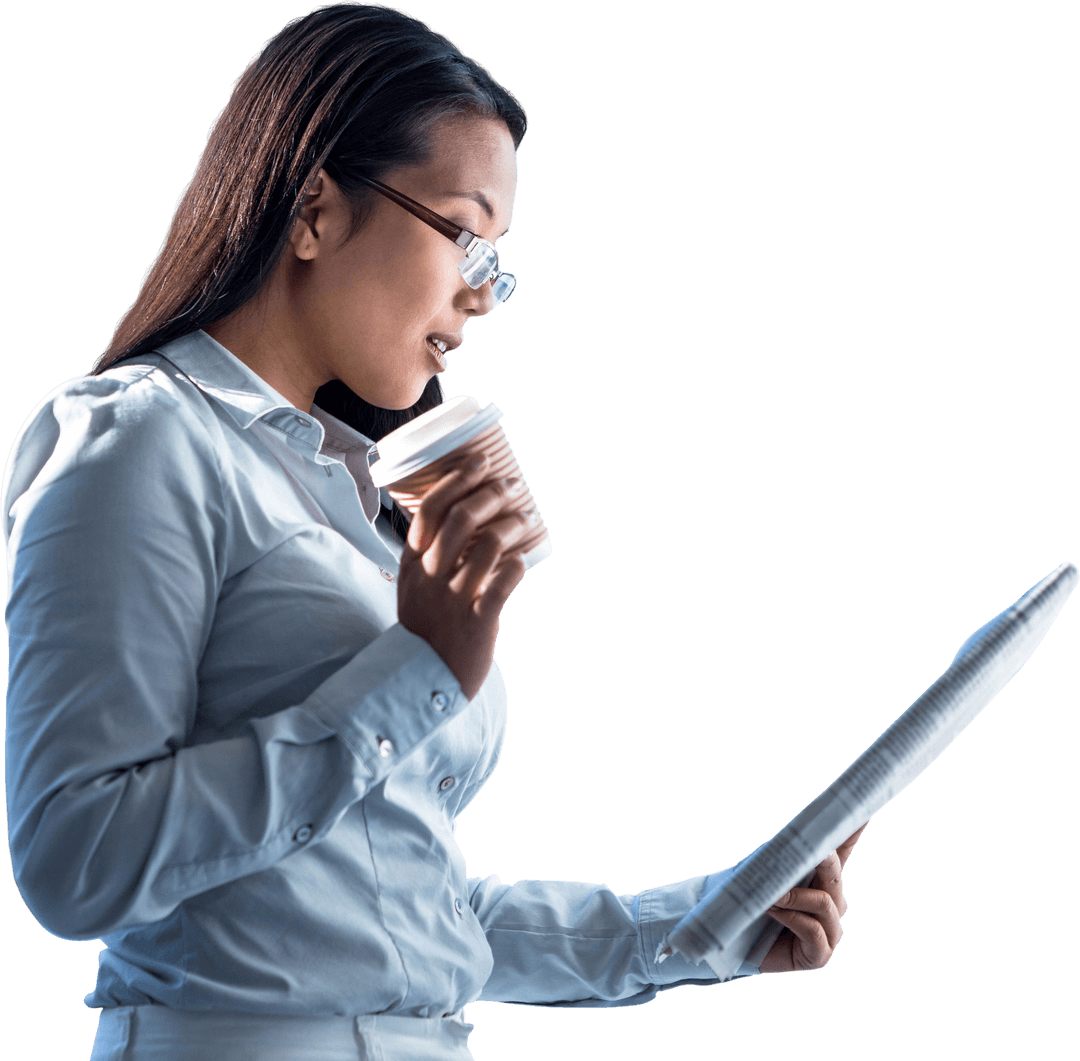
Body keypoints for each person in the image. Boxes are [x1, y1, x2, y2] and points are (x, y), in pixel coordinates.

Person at [1, 4, 866, 1059]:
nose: (481, 293)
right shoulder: (138, 440)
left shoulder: (356, 491)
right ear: (314, 208)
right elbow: (76, 860)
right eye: (465, 233)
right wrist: (418, 668)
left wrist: (703, 922)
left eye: (494, 256)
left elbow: (395, 913)